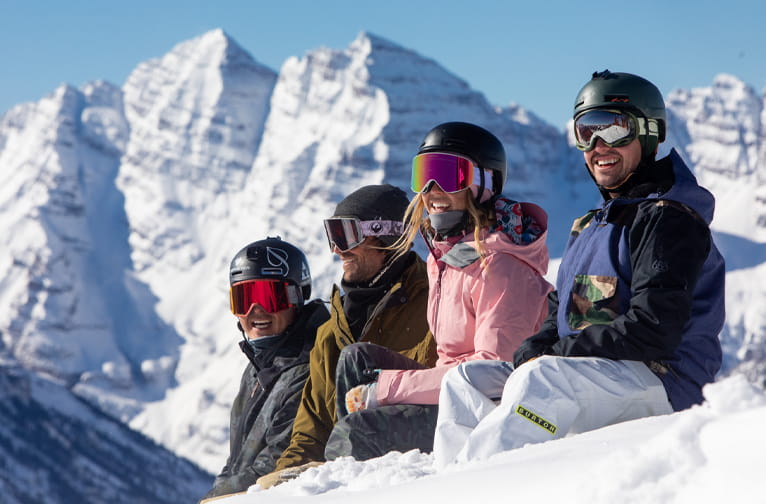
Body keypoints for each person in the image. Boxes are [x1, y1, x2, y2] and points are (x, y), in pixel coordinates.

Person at [432, 70, 726, 468]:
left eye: (613, 130)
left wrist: (555, 354)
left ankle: (475, 483)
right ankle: (450, 478)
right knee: (466, 380)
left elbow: (654, 328)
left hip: (663, 379)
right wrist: (541, 342)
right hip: (597, 371)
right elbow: (571, 310)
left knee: (544, 381)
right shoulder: (595, 224)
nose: (598, 145)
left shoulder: (669, 219)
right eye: (586, 131)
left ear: (649, 133)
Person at [323, 122, 553, 461]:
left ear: (485, 182)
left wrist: (386, 390)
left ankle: (350, 469)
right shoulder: (445, 258)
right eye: (423, 175)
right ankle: (355, 466)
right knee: (358, 359)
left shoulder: (502, 266)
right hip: (452, 393)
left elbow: (493, 374)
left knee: (359, 431)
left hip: (485, 411)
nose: (431, 189)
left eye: (448, 174)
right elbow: (449, 360)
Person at [256, 184, 437, 489]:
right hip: (349, 481)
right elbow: (310, 434)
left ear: (388, 236)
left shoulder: (434, 303)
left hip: (413, 474)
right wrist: (274, 491)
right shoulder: (330, 334)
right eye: (332, 236)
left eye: (346, 235)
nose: (337, 249)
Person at [200, 237, 330, 502]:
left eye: (269, 297)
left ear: (296, 297)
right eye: (244, 298)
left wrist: (215, 500)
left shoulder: (307, 369)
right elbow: (237, 461)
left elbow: (276, 463)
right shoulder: (258, 368)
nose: (254, 310)